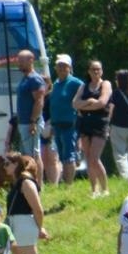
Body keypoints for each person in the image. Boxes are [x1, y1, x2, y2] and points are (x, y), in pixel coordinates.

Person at [73, 60, 113, 198]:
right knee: (88, 158)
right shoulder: (84, 86)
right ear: (89, 71)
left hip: (100, 124)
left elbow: (102, 103)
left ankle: (105, 188)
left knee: (95, 158)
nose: (96, 72)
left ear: (101, 71)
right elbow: (75, 103)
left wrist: (85, 106)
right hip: (85, 124)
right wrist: (90, 102)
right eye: (93, 69)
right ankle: (94, 189)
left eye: (98, 69)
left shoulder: (105, 84)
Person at [4, 151, 49, 254]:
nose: (4, 167)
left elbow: (38, 209)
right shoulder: (16, 183)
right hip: (15, 224)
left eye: (7, 163)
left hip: (24, 224)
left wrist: (40, 228)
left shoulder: (26, 183)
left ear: (16, 164)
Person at [47, 55, 83, 185]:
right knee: (62, 155)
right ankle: (66, 181)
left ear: (69, 68)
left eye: (64, 66)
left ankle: (69, 184)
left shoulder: (74, 82)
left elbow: (85, 92)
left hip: (69, 124)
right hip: (57, 124)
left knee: (69, 155)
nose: (61, 68)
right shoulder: (56, 83)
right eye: (59, 66)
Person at [107, 69, 128, 180]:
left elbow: (111, 110)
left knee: (120, 154)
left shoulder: (116, 94)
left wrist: (107, 125)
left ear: (119, 80)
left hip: (117, 127)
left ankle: (127, 177)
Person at [13, 49, 47, 160]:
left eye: (21, 60)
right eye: (18, 61)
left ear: (31, 60)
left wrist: (33, 121)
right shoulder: (25, 78)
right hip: (24, 122)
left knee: (33, 154)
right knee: (26, 155)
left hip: (31, 123)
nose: (19, 63)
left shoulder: (34, 79)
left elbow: (39, 101)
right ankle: (31, 177)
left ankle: (37, 178)